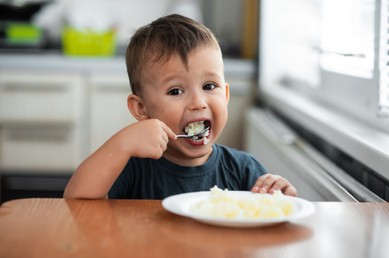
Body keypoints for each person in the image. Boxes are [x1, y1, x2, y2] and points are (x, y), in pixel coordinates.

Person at [63, 14, 297, 199]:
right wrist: (121, 144)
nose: (198, 103)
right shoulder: (132, 168)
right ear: (141, 108)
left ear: (225, 95)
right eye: (176, 91)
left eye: (209, 86)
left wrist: (279, 194)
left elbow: (271, 211)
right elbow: (75, 198)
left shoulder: (243, 170)